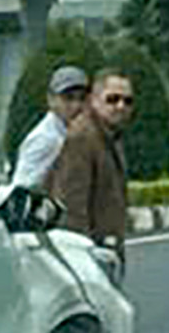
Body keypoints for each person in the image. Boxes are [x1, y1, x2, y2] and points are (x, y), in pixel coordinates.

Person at [47, 68, 134, 261]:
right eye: (112, 99)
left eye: (127, 101)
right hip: (90, 255)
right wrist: (83, 256)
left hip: (107, 250)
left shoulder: (110, 136)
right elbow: (71, 205)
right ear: (93, 100)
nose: (120, 106)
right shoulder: (83, 138)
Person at [11, 65, 90, 190]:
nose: (76, 105)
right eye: (68, 98)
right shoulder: (44, 139)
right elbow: (23, 188)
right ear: (51, 99)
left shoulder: (76, 133)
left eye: (82, 98)